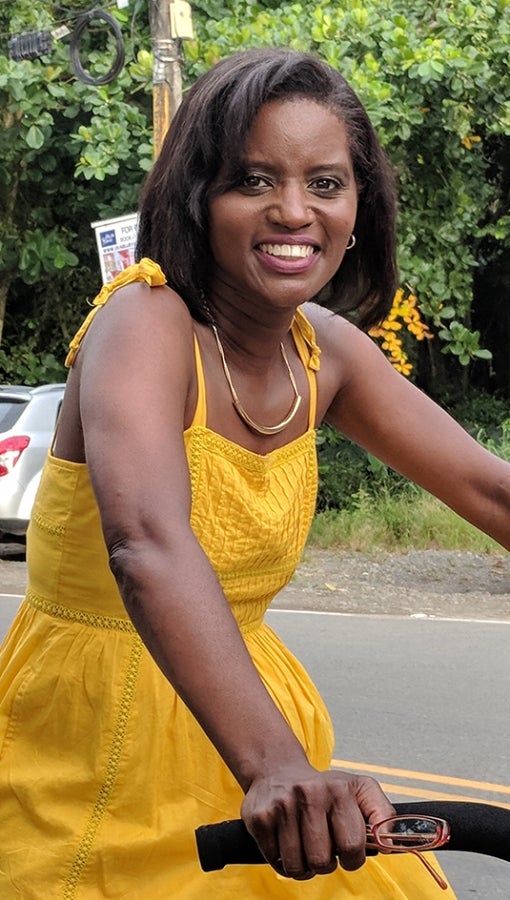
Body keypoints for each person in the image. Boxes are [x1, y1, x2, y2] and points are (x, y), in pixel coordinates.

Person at [0, 48, 509, 899]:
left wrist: (278, 762)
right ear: (198, 196)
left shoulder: (328, 352)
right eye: (254, 180)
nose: (293, 212)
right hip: (104, 735)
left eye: (326, 183)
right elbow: (148, 544)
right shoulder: (146, 319)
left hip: (255, 731)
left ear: (360, 207)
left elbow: (492, 491)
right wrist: (274, 766)